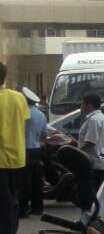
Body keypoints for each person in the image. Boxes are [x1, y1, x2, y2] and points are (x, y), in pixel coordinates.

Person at [0, 63, 30, 234]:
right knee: (12, 198)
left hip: (1, 159)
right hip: (18, 158)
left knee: (4, 202)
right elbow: (23, 126)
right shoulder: (19, 98)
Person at [19, 89, 46, 217]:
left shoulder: (23, 114)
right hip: (37, 149)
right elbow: (43, 135)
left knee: (24, 181)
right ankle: (37, 207)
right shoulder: (41, 115)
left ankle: (23, 209)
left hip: (25, 149)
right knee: (37, 180)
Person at [79, 94, 104, 191]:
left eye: (83, 104)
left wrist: (77, 151)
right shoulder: (101, 117)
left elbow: (91, 142)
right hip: (100, 161)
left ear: (89, 105)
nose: (82, 107)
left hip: (93, 163)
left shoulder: (93, 120)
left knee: (91, 193)